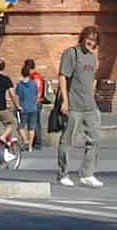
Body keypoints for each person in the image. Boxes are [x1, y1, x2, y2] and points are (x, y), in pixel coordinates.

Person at [55, 25, 102, 187]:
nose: (91, 42)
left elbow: (92, 79)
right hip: (74, 104)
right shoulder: (71, 54)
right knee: (67, 140)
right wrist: (65, 101)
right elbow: (63, 77)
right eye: (89, 39)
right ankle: (63, 174)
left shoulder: (92, 58)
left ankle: (87, 173)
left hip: (90, 105)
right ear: (83, 38)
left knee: (95, 138)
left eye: (94, 40)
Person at [15, 60, 44, 148]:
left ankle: (30, 141)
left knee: (23, 126)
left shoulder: (21, 84)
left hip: (26, 106)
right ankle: (31, 145)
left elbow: (17, 95)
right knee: (33, 126)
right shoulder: (35, 81)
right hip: (34, 105)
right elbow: (37, 92)